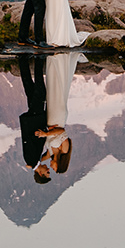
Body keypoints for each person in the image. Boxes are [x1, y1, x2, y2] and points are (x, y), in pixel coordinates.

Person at [34, 51, 81, 183]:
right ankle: (58, 63)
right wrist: (46, 134)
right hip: (58, 118)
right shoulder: (64, 151)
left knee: (50, 94)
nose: (51, 169)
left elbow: (38, 161)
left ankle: (52, 64)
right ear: (59, 166)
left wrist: (33, 165)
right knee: (57, 94)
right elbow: (62, 132)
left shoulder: (51, 154)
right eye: (54, 170)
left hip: (50, 120)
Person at [18, 55, 47, 176]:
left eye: (47, 173)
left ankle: (39, 58)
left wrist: (39, 134)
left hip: (35, 118)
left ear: (41, 174)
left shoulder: (31, 160)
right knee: (29, 86)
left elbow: (28, 142)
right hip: (32, 117)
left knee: (40, 87)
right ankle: (22, 59)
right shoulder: (35, 160)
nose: (48, 170)